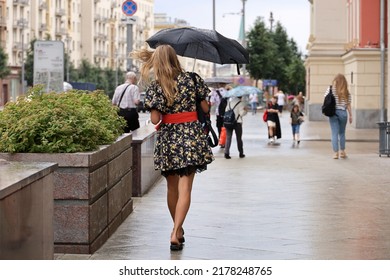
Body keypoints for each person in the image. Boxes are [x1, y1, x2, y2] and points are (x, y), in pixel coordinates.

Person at [131, 44, 214, 251]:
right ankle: (176, 231)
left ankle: (177, 229)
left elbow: (155, 119)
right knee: (186, 188)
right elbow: (205, 107)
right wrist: (196, 98)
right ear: (175, 59)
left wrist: (163, 114)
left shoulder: (157, 86)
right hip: (191, 137)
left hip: (169, 138)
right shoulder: (193, 78)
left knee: (171, 188)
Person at [324, 73, 352, 159]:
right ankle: (342, 152)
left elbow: (325, 98)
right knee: (342, 133)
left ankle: (336, 153)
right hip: (343, 113)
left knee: (334, 133)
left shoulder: (330, 89)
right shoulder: (346, 91)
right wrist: (351, 115)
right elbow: (348, 105)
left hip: (333, 112)